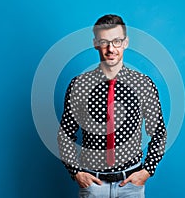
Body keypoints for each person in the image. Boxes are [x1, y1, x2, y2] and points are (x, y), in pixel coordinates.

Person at [57, 14, 167, 198]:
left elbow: (158, 132)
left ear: (125, 43)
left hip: (130, 185)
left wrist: (147, 171)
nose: (110, 49)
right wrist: (76, 172)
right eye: (104, 42)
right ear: (95, 43)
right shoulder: (79, 85)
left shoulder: (143, 84)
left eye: (116, 41)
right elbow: (65, 134)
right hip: (93, 184)